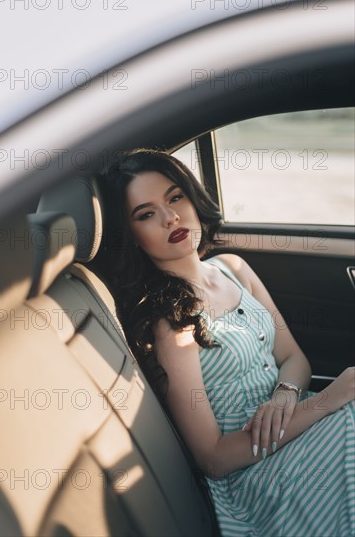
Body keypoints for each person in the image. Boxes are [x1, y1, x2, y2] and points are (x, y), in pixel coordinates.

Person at [103, 148, 355, 537]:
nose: (170, 217)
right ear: (132, 236)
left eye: (175, 197)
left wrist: (286, 395)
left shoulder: (233, 267)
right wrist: (326, 400)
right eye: (147, 214)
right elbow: (213, 458)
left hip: (298, 425)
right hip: (257, 472)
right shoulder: (171, 326)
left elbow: (293, 358)